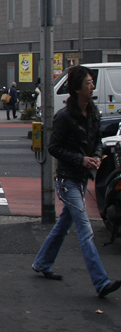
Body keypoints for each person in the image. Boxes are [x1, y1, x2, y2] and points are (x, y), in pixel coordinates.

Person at [32, 66, 121, 297]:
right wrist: (81, 160)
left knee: (64, 225)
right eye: (89, 82)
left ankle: (42, 262)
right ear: (77, 88)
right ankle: (101, 282)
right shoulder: (63, 117)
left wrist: (97, 157)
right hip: (67, 180)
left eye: (92, 82)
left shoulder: (92, 112)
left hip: (81, 179)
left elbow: (98, 141)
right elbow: (53, 147)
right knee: (85, 230)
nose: (92, 86)